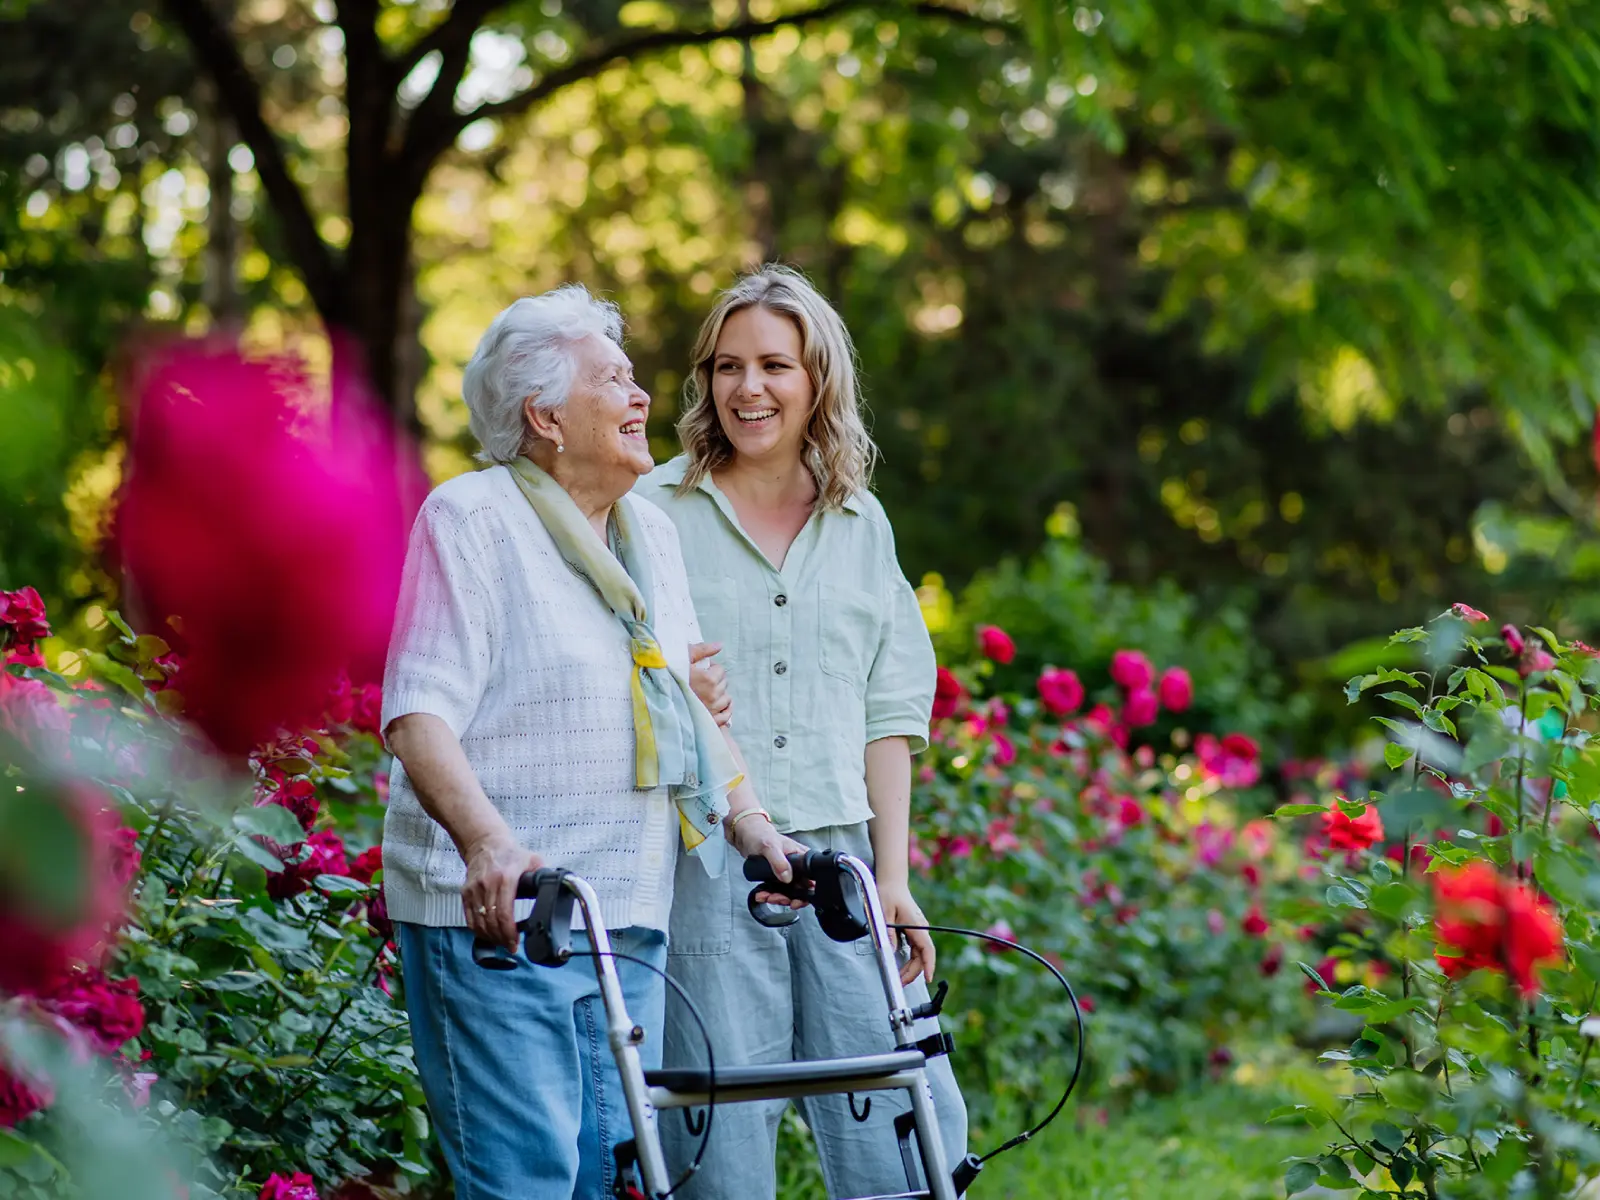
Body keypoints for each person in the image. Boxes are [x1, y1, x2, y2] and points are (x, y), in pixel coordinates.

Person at [380, 284, 799, 1200]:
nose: (642, 395)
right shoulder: (473, 519)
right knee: (526, 1181)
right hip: (507, 919)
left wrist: (754, 826)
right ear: (545, 416)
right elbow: (417, 712)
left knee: (612, 1180)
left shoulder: (649, 532)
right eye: (612, 380)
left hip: (626, 915)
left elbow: (685, 707)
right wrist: (488, 843)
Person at [640, 265, 969, 1199]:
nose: (748, 388)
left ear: (818, 379)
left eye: (774, 365)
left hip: (841, 867)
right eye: (728, 366)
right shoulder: (652, 514)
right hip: (706, 865)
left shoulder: (862, 524)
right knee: (717, 1141)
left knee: (907, 1130)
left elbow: (888, 715)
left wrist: (892, 879)